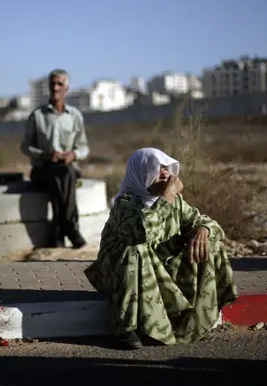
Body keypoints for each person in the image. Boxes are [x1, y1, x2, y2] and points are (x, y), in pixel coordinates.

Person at [84, 147, 238, 350]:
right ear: (141, 174)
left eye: (167, 168)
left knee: (208, 243)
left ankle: (193, 321)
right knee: (134, 249)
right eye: (158, 169)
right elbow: (142, 233)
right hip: (119, 273)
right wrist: (165, 199)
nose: (166, 174)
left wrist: (203, 229)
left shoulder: (175, 202)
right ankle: (125, 328)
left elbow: (206, 222)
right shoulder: (125, 204)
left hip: (156, 269)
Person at [20, 68, 90, 249]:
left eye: (60, 84)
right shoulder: (37, 116)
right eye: (52, 84)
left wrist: (73, 154)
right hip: (43, 169)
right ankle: (71, 228)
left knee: (64, 175)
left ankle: (57, 233)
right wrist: (44, 154)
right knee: (64, 177)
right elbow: (25, 147)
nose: (55, 88)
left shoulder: (75, 116)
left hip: (66, 168)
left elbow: (84, 147)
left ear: (67, 88)